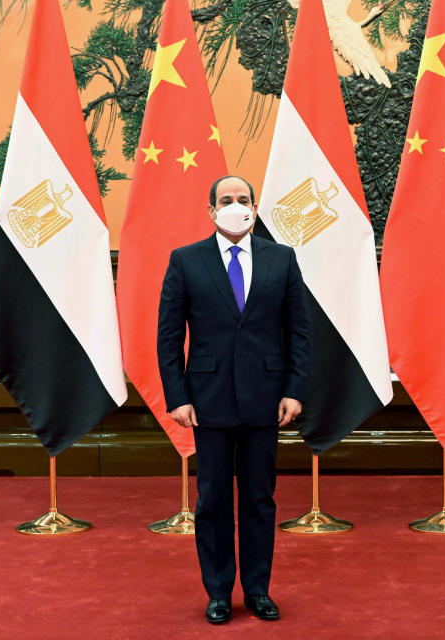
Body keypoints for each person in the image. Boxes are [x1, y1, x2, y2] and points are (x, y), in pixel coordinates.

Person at [157, 175, 312, 625]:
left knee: (260, 499)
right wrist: (177, 396)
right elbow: (169, 336)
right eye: (226, 200)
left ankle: (259, 590)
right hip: (208, 400)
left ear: (254, 207)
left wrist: (294, 389)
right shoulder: (185, 260)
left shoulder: (282, 260)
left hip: (268, 399)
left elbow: (299, 331)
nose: (235, 206)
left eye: (242, 199)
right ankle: (219, 591)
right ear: (211, 211)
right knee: (213, 501)